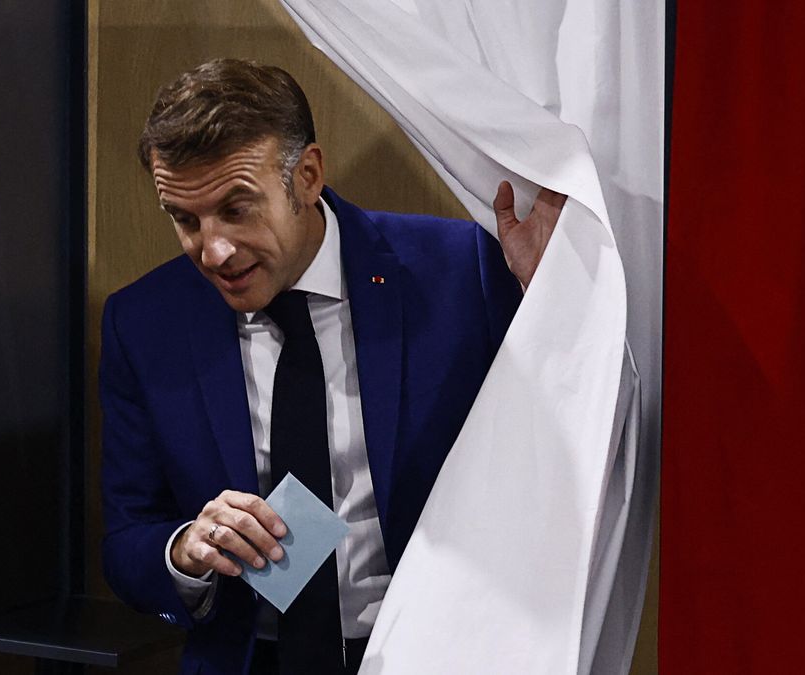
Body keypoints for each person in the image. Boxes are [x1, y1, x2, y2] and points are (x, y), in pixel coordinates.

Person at [99, 58, 565, 675]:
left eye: (237, 208)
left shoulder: (463, 272)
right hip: (251, 659)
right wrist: (186, 549)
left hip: (440, 653)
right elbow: (128, 535)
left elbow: (567, 453)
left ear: (308, 175)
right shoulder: (143, 322)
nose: (211, 250)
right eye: (184, 219)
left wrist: (559, 303)